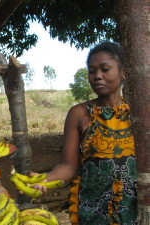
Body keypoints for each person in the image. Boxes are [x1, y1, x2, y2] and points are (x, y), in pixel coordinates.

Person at [28, 41, 137, 225]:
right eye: (92, 71)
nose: (97, 76)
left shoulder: (137, 113)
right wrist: (47, 179)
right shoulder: (79, 114)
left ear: (123, 72)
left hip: (133, 211)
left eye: (105, 69)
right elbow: (68, 166)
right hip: (92, 213)